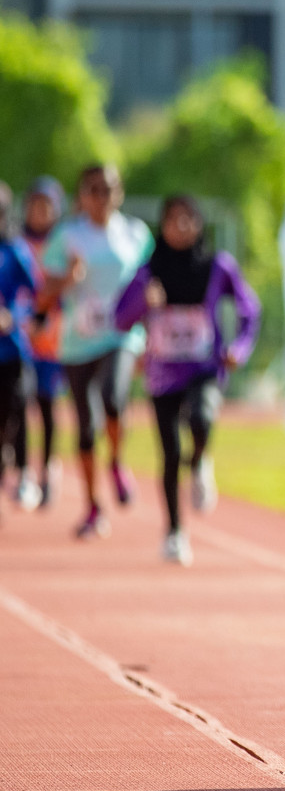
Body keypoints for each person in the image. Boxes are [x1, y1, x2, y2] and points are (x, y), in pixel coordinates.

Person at [116, 196, 259, 566]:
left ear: (199, 224)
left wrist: (239, 349)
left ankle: (200, 464)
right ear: (161, 226)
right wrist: (143, 303)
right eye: (173, 220)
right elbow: (120, 318)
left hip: (204, 367)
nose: (181, 228)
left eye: (188, 220)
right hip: (163, 374)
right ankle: (175, 532)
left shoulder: (218, 267)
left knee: (202, 418)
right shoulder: (149, 271)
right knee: (169, 453)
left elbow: (249, 310)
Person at [37, 165, 153, 540]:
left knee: (114, 400)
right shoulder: (67, 236)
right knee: (86, 428)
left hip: (121, 335)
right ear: (81, 195)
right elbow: (42, 294)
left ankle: (117, 461)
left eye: (108, 190)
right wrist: (67, 279)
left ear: (119, 193)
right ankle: (91, 507)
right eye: (93, 190)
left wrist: (150, 326)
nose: (101, 198)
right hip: (78, 340)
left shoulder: (136, 234)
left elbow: (151, 284)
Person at [16, 177, 66, 508]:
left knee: (47, 406)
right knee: (20, 403)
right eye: (35, 206)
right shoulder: (17, 244)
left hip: (53, 341)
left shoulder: (64, 244)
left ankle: (48, 467)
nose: (40, 213)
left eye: (46, 207)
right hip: (21, 340)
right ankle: (22, 470)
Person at [0, 183, 39, 514]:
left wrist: (14, 316)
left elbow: (36, 295)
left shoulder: (15, 251)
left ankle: (23, 470)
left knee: (15, 410)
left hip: (11, 351)